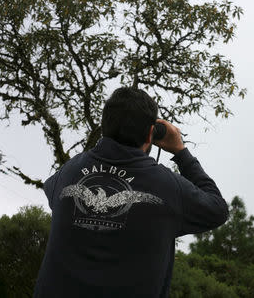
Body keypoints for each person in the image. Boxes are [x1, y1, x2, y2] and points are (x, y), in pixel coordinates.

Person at [33, 87, 229, 298]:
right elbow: (217, 209)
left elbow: (50, 189)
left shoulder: (67, 174)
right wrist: (181, 152)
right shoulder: (167, 187)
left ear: (103, 125)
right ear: (150, 134)